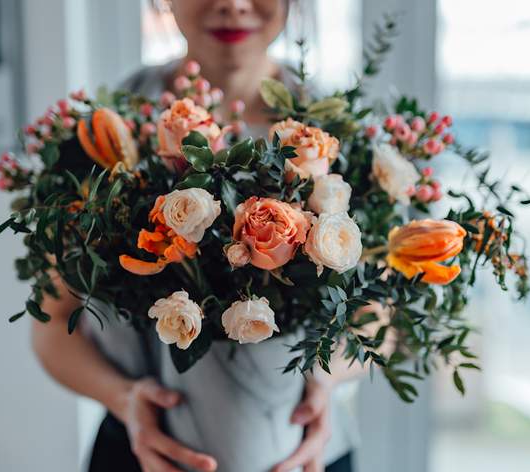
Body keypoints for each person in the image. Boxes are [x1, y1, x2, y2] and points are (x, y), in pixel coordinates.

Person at [32, 1, 373, 470]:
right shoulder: (102, 134)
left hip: (302, 452)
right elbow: (52, 322)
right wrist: (124, 398)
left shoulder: (337, 132)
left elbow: (382, 310)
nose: (233, 4)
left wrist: (325, 380)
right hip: (143, 452)